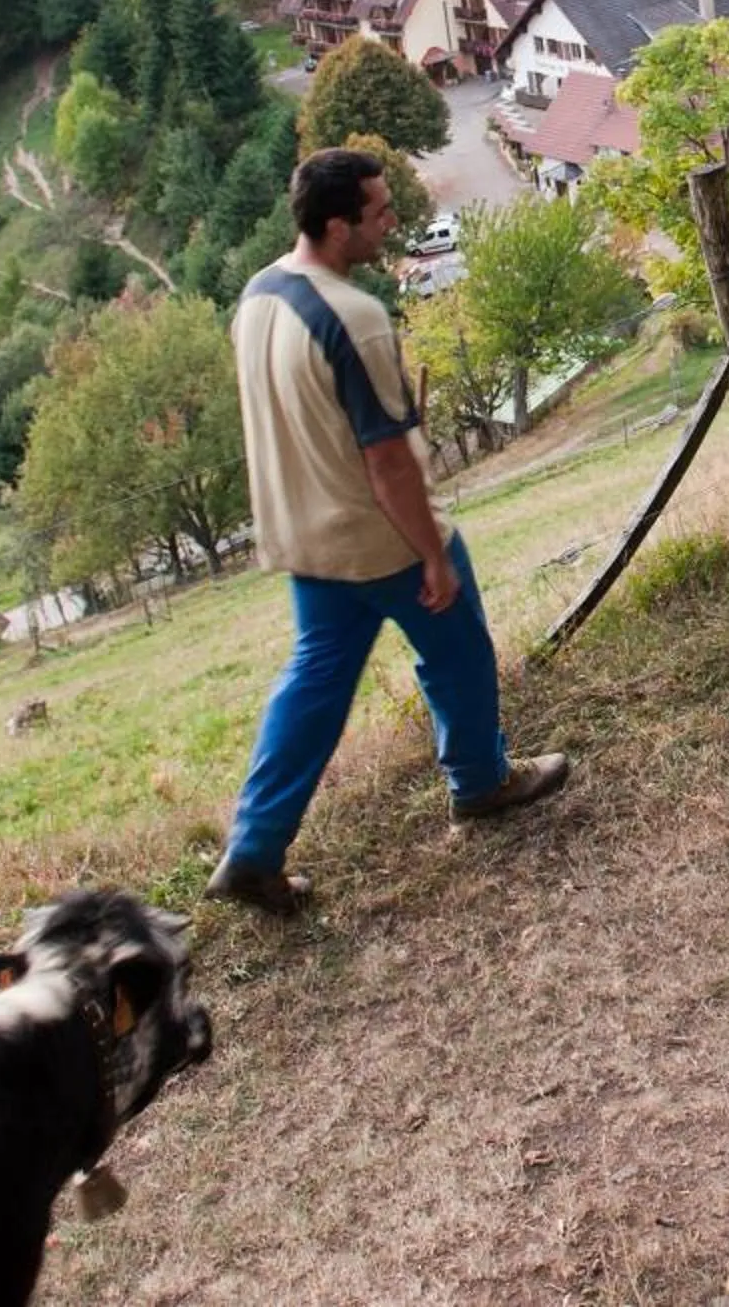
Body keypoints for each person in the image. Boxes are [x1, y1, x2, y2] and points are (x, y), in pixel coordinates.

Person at [205, 147, 570, 917]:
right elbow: (390, 463)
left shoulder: (260, 294)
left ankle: (254, 846)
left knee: (314, 684)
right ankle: (481, 782)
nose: (392, 222)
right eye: (378, 213)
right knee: (460, 648)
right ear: (338, 227)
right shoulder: (357, 318)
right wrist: (432, 556)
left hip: (306, 536)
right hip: (378, 538)